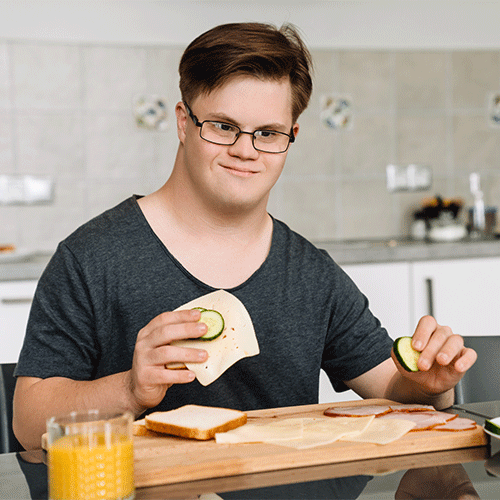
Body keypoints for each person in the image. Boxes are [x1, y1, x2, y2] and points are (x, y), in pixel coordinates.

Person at [13, 22, 476, 450]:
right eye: (223, 126)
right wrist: (130, 389)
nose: (245, 150)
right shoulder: (91, 258)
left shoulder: (311, 273)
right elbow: (28, 422)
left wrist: (430, 383)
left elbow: (392, 389)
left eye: (268, 133)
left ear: (291, 136)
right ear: (183, 121)